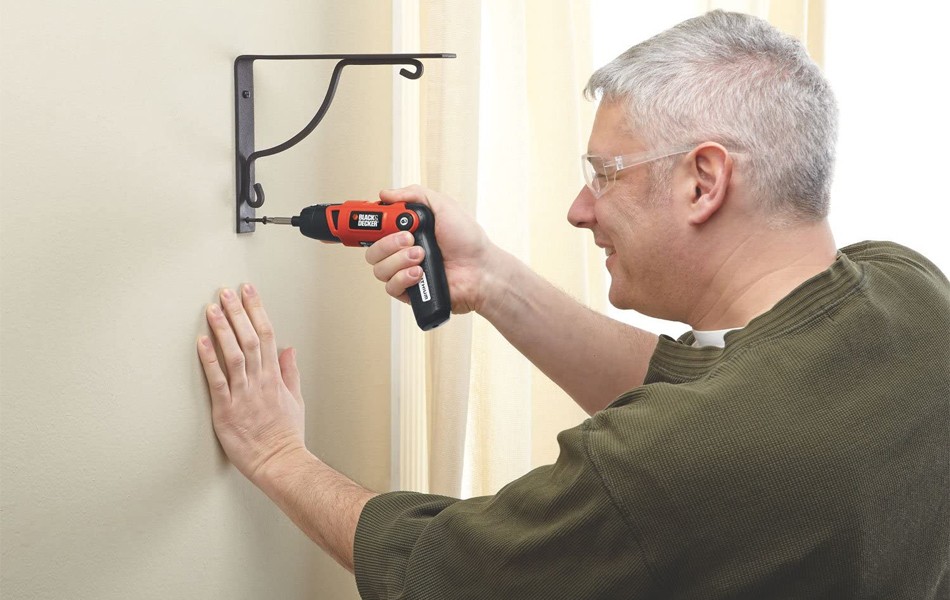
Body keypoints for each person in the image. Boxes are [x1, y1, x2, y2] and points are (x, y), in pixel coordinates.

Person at [197, 10, 949, 599]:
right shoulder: (912, 291)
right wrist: (490, 278)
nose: (579, 209)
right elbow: (708, 387)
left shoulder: (658, 465)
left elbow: (441, 570)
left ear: (703, 181)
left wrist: (274, 454)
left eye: (605, 174)